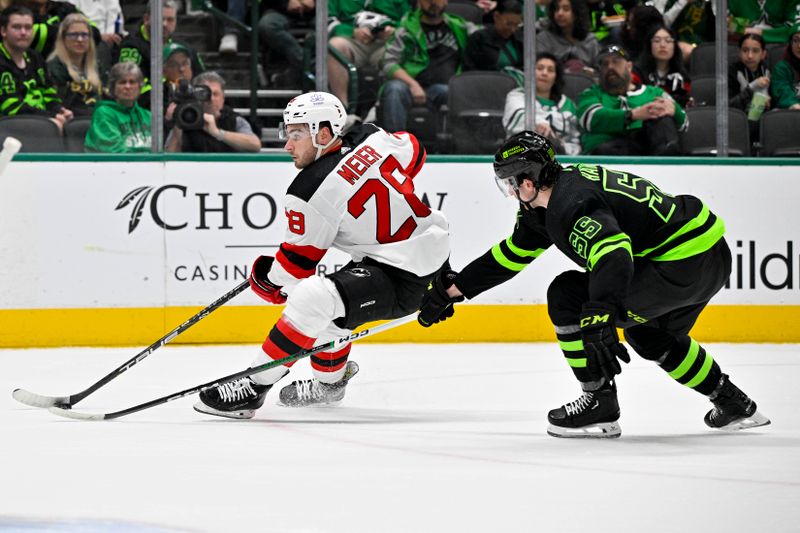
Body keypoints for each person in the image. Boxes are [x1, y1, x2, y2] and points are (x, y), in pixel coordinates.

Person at [417, 130, 771, 438]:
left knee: (566, 295)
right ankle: (732, 401)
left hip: (678, 264)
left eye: (510, 184)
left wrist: (600, 313)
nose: (509, 192)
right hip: (710, 255)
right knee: (649, 335)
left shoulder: (571, 204)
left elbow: (614, 253)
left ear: (527, 182)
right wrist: (455, 289)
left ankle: (600, 403)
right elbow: (512, 255)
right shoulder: (550, 201)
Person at [193, 91, 450, 419]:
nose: (288, 146)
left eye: (296, 135)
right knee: (331, 309)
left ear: (324, 133)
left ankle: (252, 388)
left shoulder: (309, 189)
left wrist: (264, 278)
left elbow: (295, 267)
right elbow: (416, 150)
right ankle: (330, 385)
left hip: (406, 276)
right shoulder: (372, 136)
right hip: (429, 252)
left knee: (312, 298)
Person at [380, 0, 476, 133]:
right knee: (394, 89)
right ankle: (395, 143)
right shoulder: (406, 29)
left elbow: (486, 35)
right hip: (408, 86)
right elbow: (389, 63)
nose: (433, 3)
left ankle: (458, 146)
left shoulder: (459, 27)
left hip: (443, 87)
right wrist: (413, 84)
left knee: (454, 92)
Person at [577, 45, 686, 155]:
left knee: (664, 121)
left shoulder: (654, 93)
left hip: (647, 152)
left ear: (629, 66)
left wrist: (674, 109)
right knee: (605, 149)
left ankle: (666, 166)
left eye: (616, 62)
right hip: (606, 155)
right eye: (605, 64)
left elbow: (684, 123)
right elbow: (592, 118)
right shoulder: (591, 94)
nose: (610, 67)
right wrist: (632, 115)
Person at [115, 0, 204, 108]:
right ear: (147, 19)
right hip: (146, 112)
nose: (165, 24)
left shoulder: (185, 48)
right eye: (160, 19)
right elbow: (131, 88)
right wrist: (167, 84)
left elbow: (203, 82)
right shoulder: (131, 46)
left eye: (170, 20)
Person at [327, 0, 409, 115]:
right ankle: (342, 110)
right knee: (335, 46)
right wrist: (352, 31)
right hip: (351, 40)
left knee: (402, 49)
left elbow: (410, 22)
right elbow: (326, 21)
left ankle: (381, 108)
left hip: (385, 44)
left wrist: (394, 31)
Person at [0, 5, 72, 129]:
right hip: (9, 124)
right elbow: (10, 106)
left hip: (40, 118)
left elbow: (48, 91)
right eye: (17, 27)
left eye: (28, 28)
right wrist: (50, 117)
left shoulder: (35, 57)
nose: (23, 32)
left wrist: (59, 110)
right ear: (3, 31)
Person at [502, 52, 581, 154]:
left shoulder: (567, 103)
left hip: (561, 157)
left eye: (550, 70)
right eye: (539, 68)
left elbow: (574, 139)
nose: (544, 73)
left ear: (556, 77)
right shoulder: (517, 96)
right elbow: (518, 117)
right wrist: (537, 124)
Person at [165, 71, 261, 153]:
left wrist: (218, 133)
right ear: (195, 96)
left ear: (223, 98)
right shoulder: (184, 119)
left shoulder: (233, 119)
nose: (211, 98)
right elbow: (168, 158)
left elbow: (255, 145)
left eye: (215, 94)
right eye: (204, 94)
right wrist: (177, 126)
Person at [84, 61, 151, 152]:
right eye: (122, 82)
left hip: (149, 165)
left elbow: (160, 151)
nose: (128, 86)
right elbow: (116, 154)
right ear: (113, 88)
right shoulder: (104, 114)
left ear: (140, 87)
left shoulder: (148, 116)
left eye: (132, 82)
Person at [46, 13, 104, 117]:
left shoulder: (97, 66)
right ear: (63, 38)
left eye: (84, 35)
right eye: (74, 35)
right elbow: (60, 105)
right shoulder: (55, 67)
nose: (80, 40)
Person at [13, 0, 101, 59]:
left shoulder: (64, 8)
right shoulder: (11, 14)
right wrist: (73, 31)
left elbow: (94, 32)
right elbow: (35, 37)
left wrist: (54, 32)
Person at [257, 0, 314, 88]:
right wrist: (286, 2)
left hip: (317, 14)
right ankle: (309, 66)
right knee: (267, 24)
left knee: (332, 28)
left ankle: (305, 69)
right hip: (280, 11)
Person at [633, 24, 691, 108]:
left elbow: (685, 101)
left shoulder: (682, 76)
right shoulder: (637, 72)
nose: (662, 45)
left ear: (674, 46)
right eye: (657, 41)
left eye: (668, 41)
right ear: (649, 45)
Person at [729, 32, 771, 147]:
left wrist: (769, 102)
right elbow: (729, 105)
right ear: (739, 52)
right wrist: (752, 87)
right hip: (738, 123)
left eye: (755, 51)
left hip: (765, 122)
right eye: (745, 50)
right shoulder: (731, 71)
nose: (750, 56)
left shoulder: (769, 70)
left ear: (763, 54)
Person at [536, 0, 600, 74]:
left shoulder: (590, 40)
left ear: (577, 12)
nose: (560, 13)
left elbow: (598, 70)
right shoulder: (544, 39)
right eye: (556, 9)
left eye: (566, 9)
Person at [464, 0, 523, 72]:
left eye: (516, 25)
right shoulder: (479, 38)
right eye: (509, 24)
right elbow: (470, 70)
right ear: (496, 16)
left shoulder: (519, 39)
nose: (513, 30)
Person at [770, 26, 800, 110]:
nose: (799, 46)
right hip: (789, 112)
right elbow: (782, 90)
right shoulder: (782, 67)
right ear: (790, 44)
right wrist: (793, 104)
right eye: (795, 40)